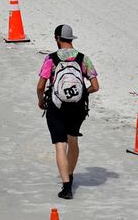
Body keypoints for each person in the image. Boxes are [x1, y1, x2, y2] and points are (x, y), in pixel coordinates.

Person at [36, 25, 99, 200]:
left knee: (60, 145)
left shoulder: (51, 59)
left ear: (57, 38)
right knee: (73, 141)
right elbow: (95, 86)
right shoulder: (83, 58)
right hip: (77, 108)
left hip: (57, 106)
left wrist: (41, 101)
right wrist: (83, 92)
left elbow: (41, 86)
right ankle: (70, 176)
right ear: (71, 39)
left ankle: (66, 187)